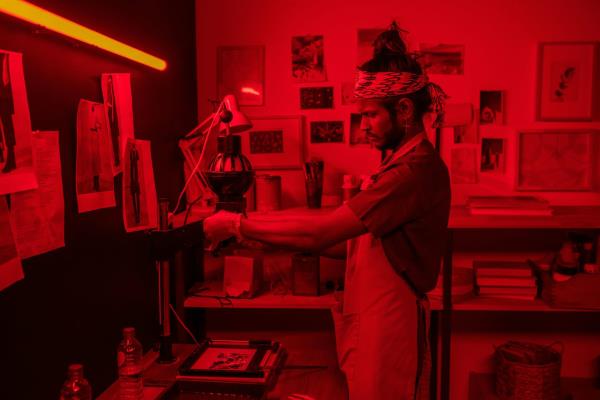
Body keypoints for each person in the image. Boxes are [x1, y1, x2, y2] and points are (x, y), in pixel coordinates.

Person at [203, 22, 451, 400]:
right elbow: (345, 243)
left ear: (402, 109)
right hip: (375, 318)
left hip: (391, 325)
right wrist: (255, 231)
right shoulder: (395, 165)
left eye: (370, 115)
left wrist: (238, 225)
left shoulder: (413, 172)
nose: (363, 125)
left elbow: (324, 232)